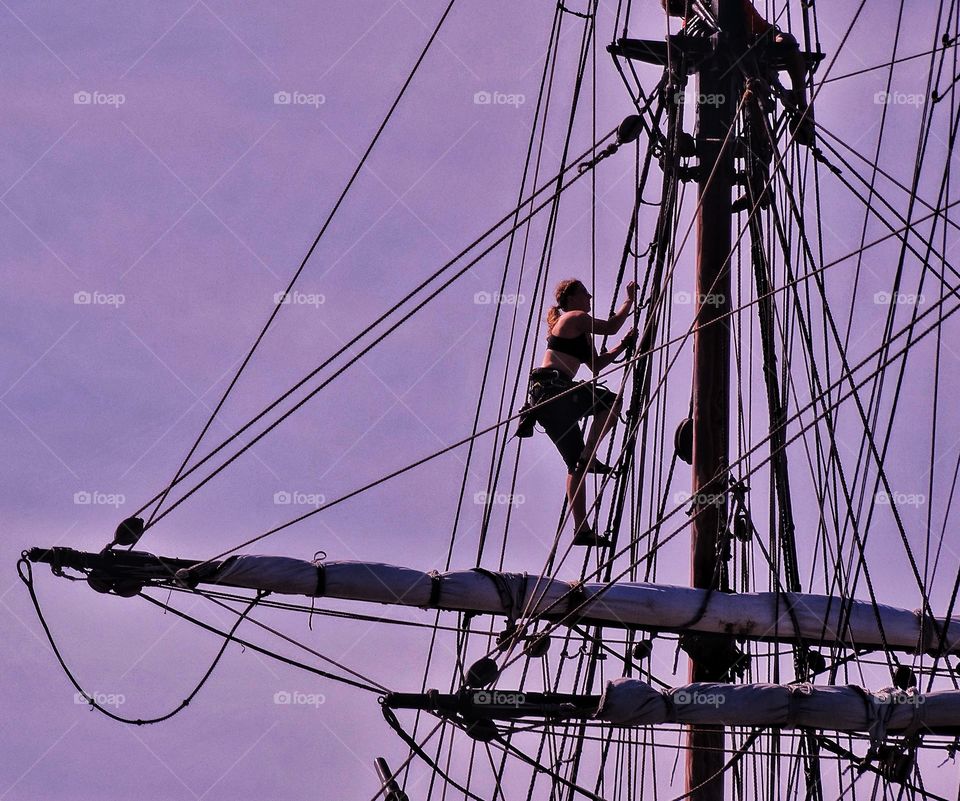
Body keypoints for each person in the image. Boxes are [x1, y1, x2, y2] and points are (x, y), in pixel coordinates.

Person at [524, 279, 637, 547]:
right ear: (572, 298)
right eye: (585, 293)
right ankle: (590, 456)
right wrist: (629, 301)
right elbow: (609, 326)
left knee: (575, 466)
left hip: (546, 399)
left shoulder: (579, 330)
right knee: (612, 402)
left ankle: (581, 530)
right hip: (554, 389)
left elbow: (597, 365)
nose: (590, 296)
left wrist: (622, 345)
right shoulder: (574, 318)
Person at [660, 0, 815, 146]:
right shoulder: (691, 27)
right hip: (740, 65)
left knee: (783, 46)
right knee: (754, 88)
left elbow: (767, 32)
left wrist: (776, 38)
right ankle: (758, 143)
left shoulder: (735, 4)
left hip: (752, 52)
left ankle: (800, 106)